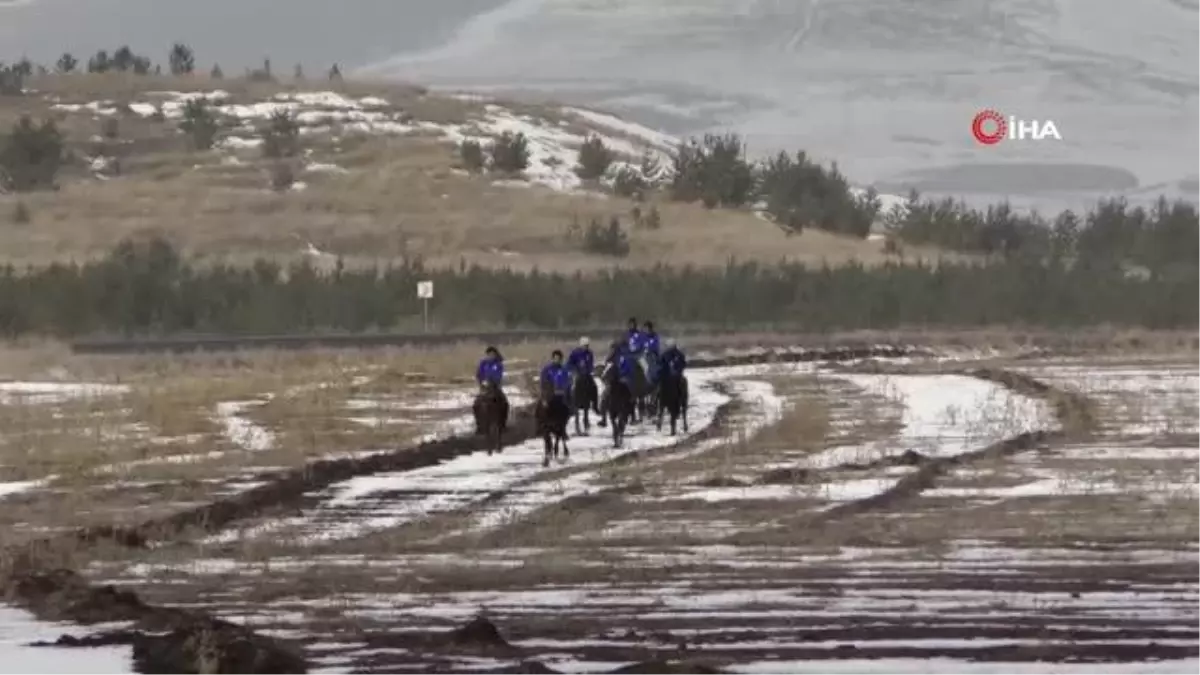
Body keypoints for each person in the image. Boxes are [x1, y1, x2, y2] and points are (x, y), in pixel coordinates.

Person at [474, 346, 508, 435]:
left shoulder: (498, 364)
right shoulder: (483, 363)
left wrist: (492, 381)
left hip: (495, 386)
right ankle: (479, 425)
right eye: (489, 354)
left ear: (496, 355)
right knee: (476, 404)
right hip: (484, 387)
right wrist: (481, 381)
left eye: (492, 354)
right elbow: (478, 374)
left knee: (505, 403)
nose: (491, 356)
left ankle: (503, 424)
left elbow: (499, 375)